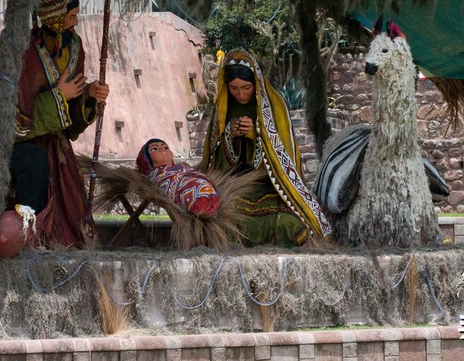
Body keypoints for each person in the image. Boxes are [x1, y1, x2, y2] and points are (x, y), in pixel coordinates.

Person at [0, 0, 110, 251]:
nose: (75, 20)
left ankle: (50, 240)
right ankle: (20, 236)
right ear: (53, 15)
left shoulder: (74, 48)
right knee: (33, 167)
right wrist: (58, 96)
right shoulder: (25, 53)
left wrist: (87, 97)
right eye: (70, 14)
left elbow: (71, 124)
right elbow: (13, 118)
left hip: (56, 146)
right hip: (16, 145)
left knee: (69, 220)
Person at [200, 48, 331, 245]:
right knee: (224, 220)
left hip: (271, 186)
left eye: (246, 88)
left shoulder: (274, 105)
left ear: (255, 83)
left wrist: (256, 134)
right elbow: (214, 158)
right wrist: (229, 134)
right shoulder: (223, 109)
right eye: (234, 89)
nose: (241, 94)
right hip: (235, 187)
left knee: (291, 223)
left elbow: (283, 154)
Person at [136, 138, 220, 218]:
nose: (163, 149)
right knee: (194, 188)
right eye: (154, 149)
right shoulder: (156, 175)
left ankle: (209, 202)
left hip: (195, 182)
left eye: (166, 147)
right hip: (186, 186)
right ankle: (202, 206)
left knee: (201, 186)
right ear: (147, 159)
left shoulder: (181, 167)